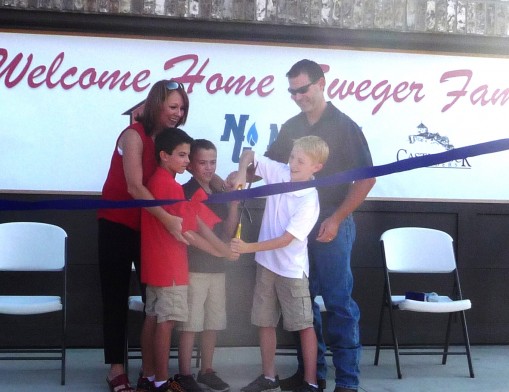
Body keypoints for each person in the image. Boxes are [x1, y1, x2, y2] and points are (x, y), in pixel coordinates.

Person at [265, 59, 376, 392]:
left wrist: (337, 218)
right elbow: (269, 165)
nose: (298, 96)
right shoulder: (290, 127)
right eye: (292, 91)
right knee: (301, 303)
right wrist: (241, 173)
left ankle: (347, 383)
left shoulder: (345, 126)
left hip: (331, 223)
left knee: (339, 303)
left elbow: (366, 179)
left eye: (303, 89)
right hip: (297, 224)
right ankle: (310, 377)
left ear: (321, 83)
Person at [97, 79, 190, 392]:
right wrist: (168, 220)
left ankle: (150, 374)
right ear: (157, 104)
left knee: (155, 300)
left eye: (182, 108)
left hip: (148, 227)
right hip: (117, 224)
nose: (178, 113)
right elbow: (135, 187)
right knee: (115, 296)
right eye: (173, 106)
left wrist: (217, 181)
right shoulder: (132, 135)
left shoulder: (167, 139)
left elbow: (187, 161)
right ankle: (116, 369)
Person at [138, 128, 239, 392]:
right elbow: (190, 234)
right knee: (166, 323)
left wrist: (220, 250)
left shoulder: (159, 181)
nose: (186, 161)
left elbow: (198, 226)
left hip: (155, 264)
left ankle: (149, 376)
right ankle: (162, 381)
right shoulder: (169, 185)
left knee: (153, 319)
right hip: (171, 265)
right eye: (182, 156)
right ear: (164, 155)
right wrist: (221, 251)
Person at [231, 135, 330, 392]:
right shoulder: (280, 171)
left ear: (316, 167)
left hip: (292, 270)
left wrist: (248, 248)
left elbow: (286, 239)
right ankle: (268, 376)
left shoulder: (310, 199)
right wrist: (243, 171)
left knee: (303, 325)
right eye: (293, 156)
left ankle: (310, 382)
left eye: (301, 160)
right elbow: (249, 153)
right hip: (266, 264)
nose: (294, 163)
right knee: (265, 321)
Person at [174, 139, 239, 392]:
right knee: (191, 323)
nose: (209, 168)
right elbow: (194, 231)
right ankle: (185, 374)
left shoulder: (219, 192)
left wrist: (234, 202)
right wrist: (222, 250)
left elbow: (228, 229)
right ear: (190, 165)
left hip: (218, 268)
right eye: (202, 162)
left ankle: (207, 370)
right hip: (193, 266)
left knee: (213, 321)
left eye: (213, 162)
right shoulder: (186, 191)